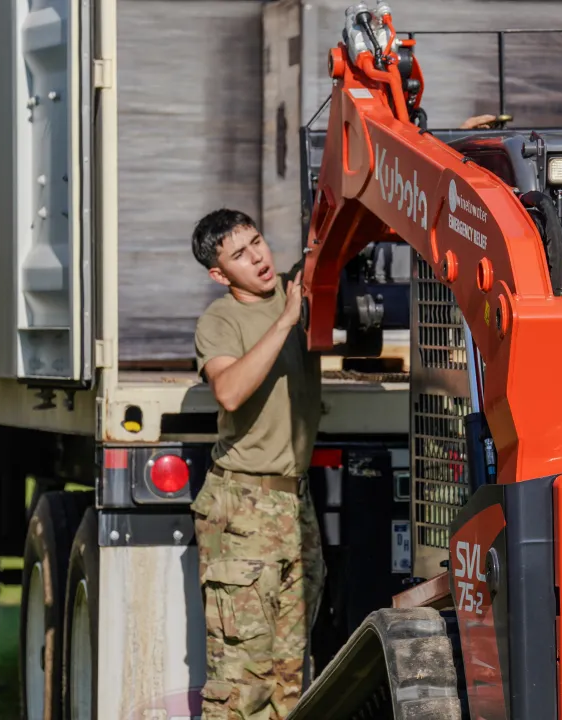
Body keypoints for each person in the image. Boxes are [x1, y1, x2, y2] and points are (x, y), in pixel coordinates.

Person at [188, 209, 326, 720]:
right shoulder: (220, 320)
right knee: (242, 680)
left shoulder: (295, 290)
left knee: (291, 679)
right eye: (239, 255)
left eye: (258, 242)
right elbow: (228, 390)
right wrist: (287, 321)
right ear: (219, 275)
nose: (258, 258)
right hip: (245, 506)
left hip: (294, 502)